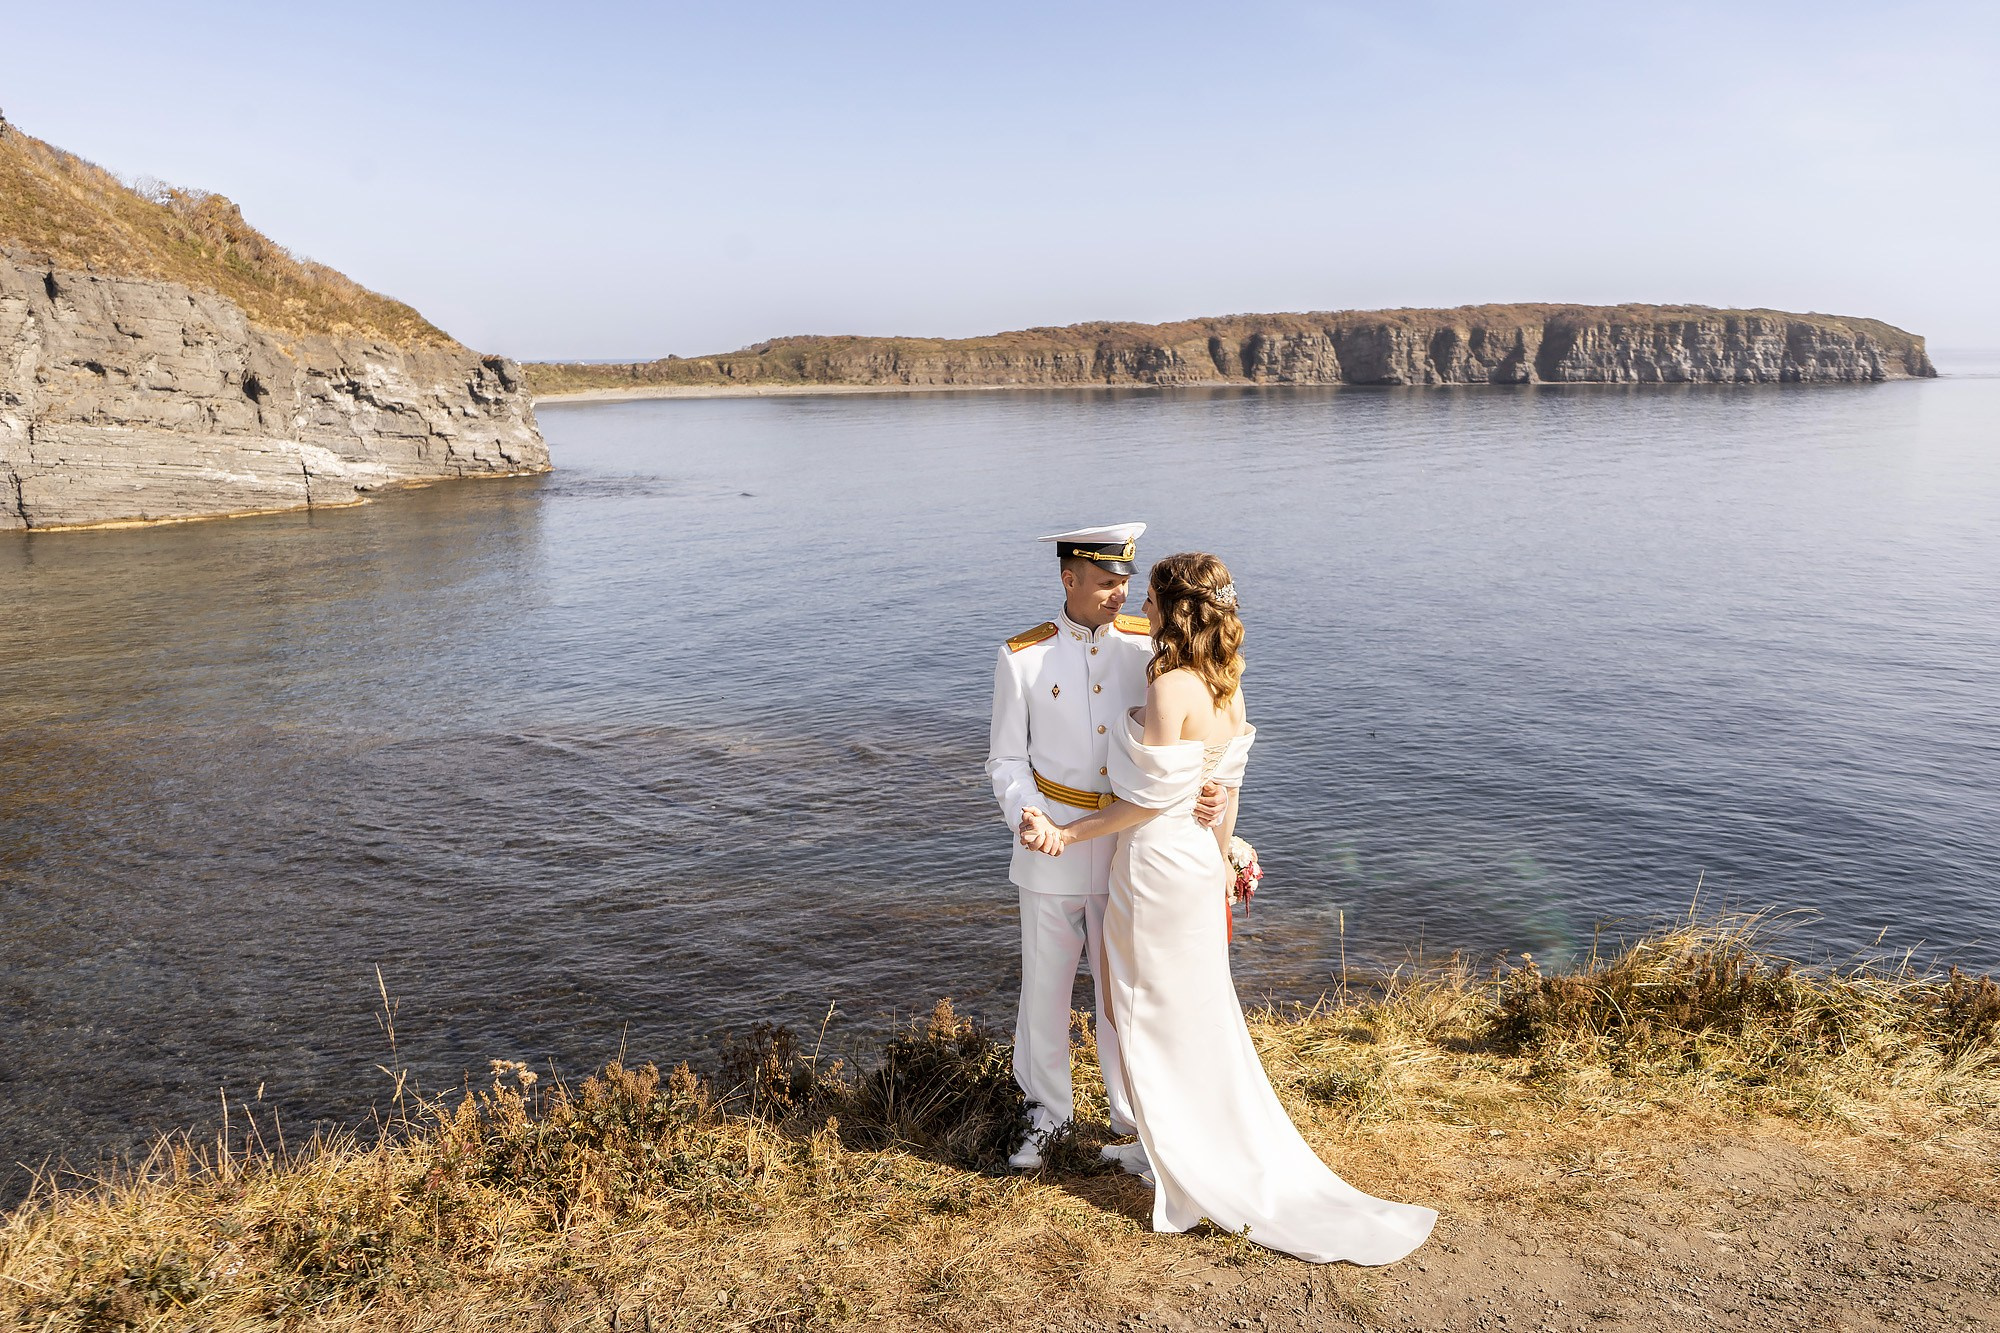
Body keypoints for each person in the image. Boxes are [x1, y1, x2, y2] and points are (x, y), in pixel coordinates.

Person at [1019, 552, 1436, 1265]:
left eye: (1149, 600)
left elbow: (1143, 800)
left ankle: (1181, 1161)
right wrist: (1218, 860)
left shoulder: (1169, 686)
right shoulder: (1227, 686)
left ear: (1175, 610)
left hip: (1149, 865)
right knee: (1184, 1008)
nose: (1140, 609)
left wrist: (1066, 830)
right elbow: (1227, 790)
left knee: (1136, 1006)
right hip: (1194, 865)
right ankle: (1165, 1141)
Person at [985, 524, 1224, 1170]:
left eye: (1126, 581)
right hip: (1049, 845)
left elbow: (1195, 729)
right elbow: (1005, 758)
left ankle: (1132, 1114)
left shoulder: (1151, 649)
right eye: (1107, 581)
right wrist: (1026, 811)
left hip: (1131, 850)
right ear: (1070, 579)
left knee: (1127, 992)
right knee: (1046, 989)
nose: (1121, 593)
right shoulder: (1022, 657)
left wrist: (1206, 792)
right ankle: (1047, 1114)